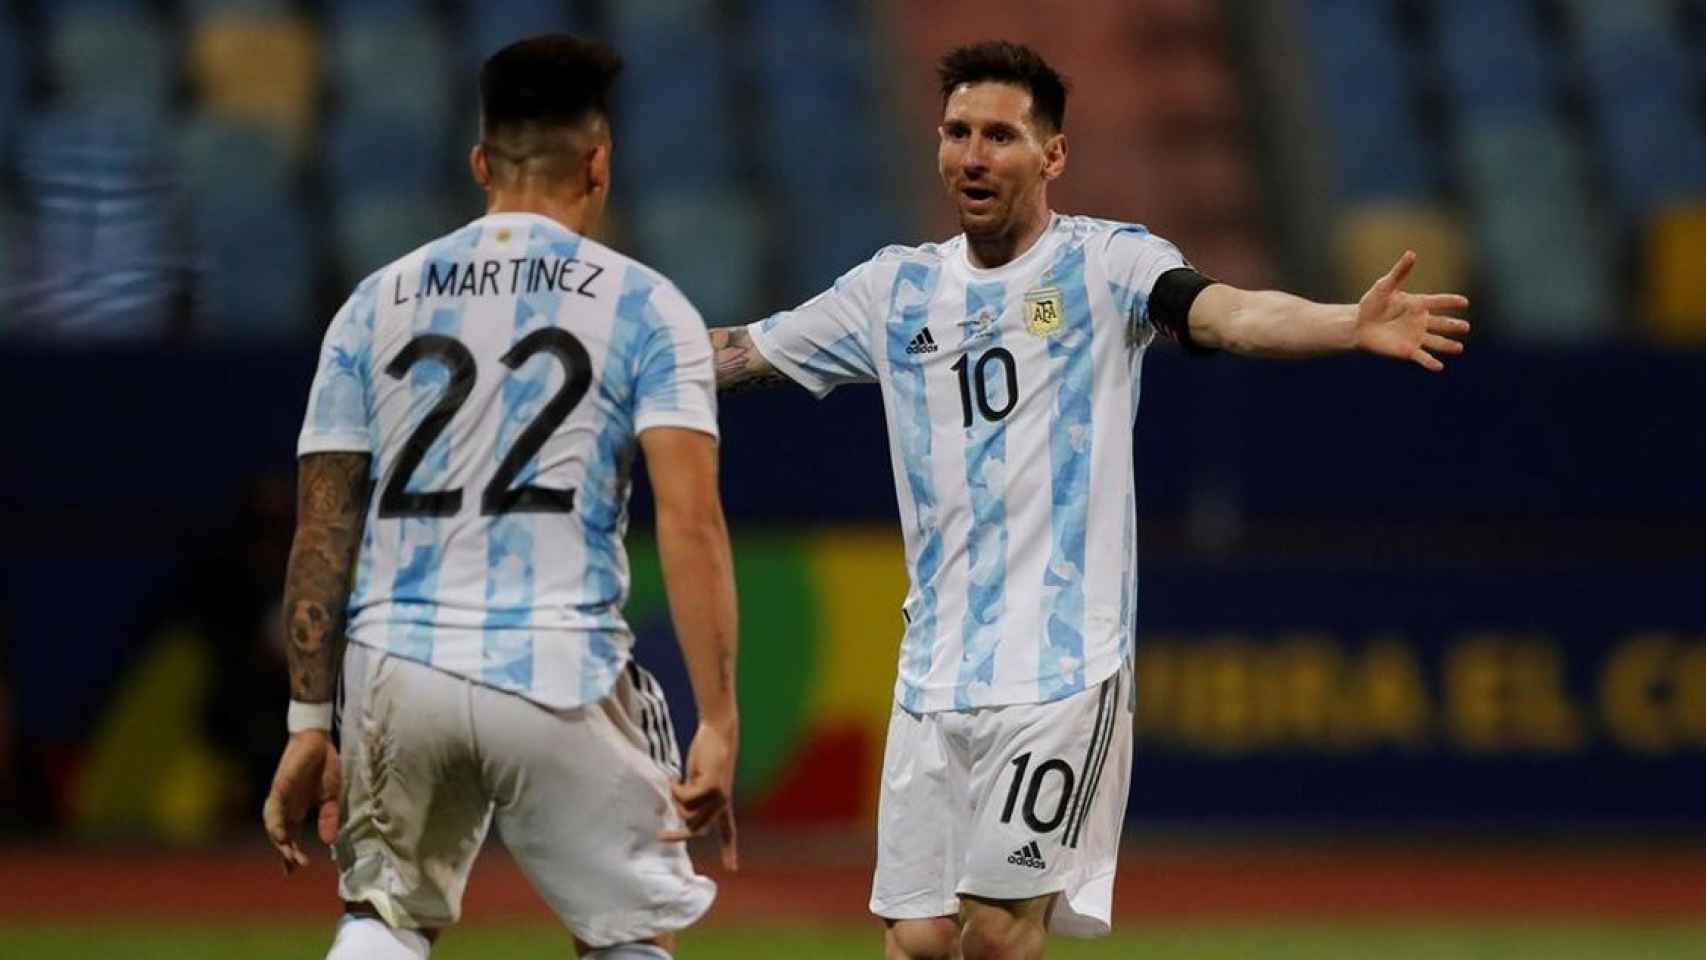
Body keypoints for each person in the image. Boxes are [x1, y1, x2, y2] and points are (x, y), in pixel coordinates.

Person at [711, 40, 1469, 960]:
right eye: (957, 133)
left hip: (1064, 665)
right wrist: (616, 352)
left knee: (995, 933)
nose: (973, 155)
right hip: (932, 671)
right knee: (916, 939)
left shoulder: (1109, 266)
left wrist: (1346, 323)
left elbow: (1227, 313)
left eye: (1000, 134)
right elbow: (741, 351)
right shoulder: (893, 288)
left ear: (1052, 155)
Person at [262, 35, 739, 960]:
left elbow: (323, 528)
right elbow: (691, 521)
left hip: (399, 665)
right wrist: (719, 719)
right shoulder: (646, 307)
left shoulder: (373, 304)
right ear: (598, 163)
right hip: (555, 664)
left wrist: (308, 724)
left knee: (384, 919)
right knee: (628, 936)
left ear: (481, 162)